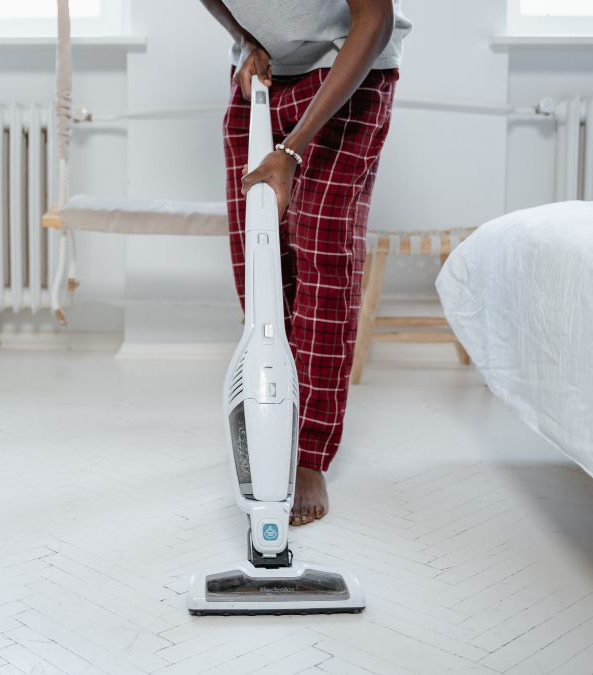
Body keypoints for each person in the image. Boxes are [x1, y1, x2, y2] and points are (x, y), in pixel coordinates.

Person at [199, 0, 411, 525]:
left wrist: (291, 151)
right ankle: (271, 419)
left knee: (320, 248)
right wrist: (246, 38)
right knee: (259, 255)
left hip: (348, 73)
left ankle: (310, 451)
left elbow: (374, 17)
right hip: (263, 75)